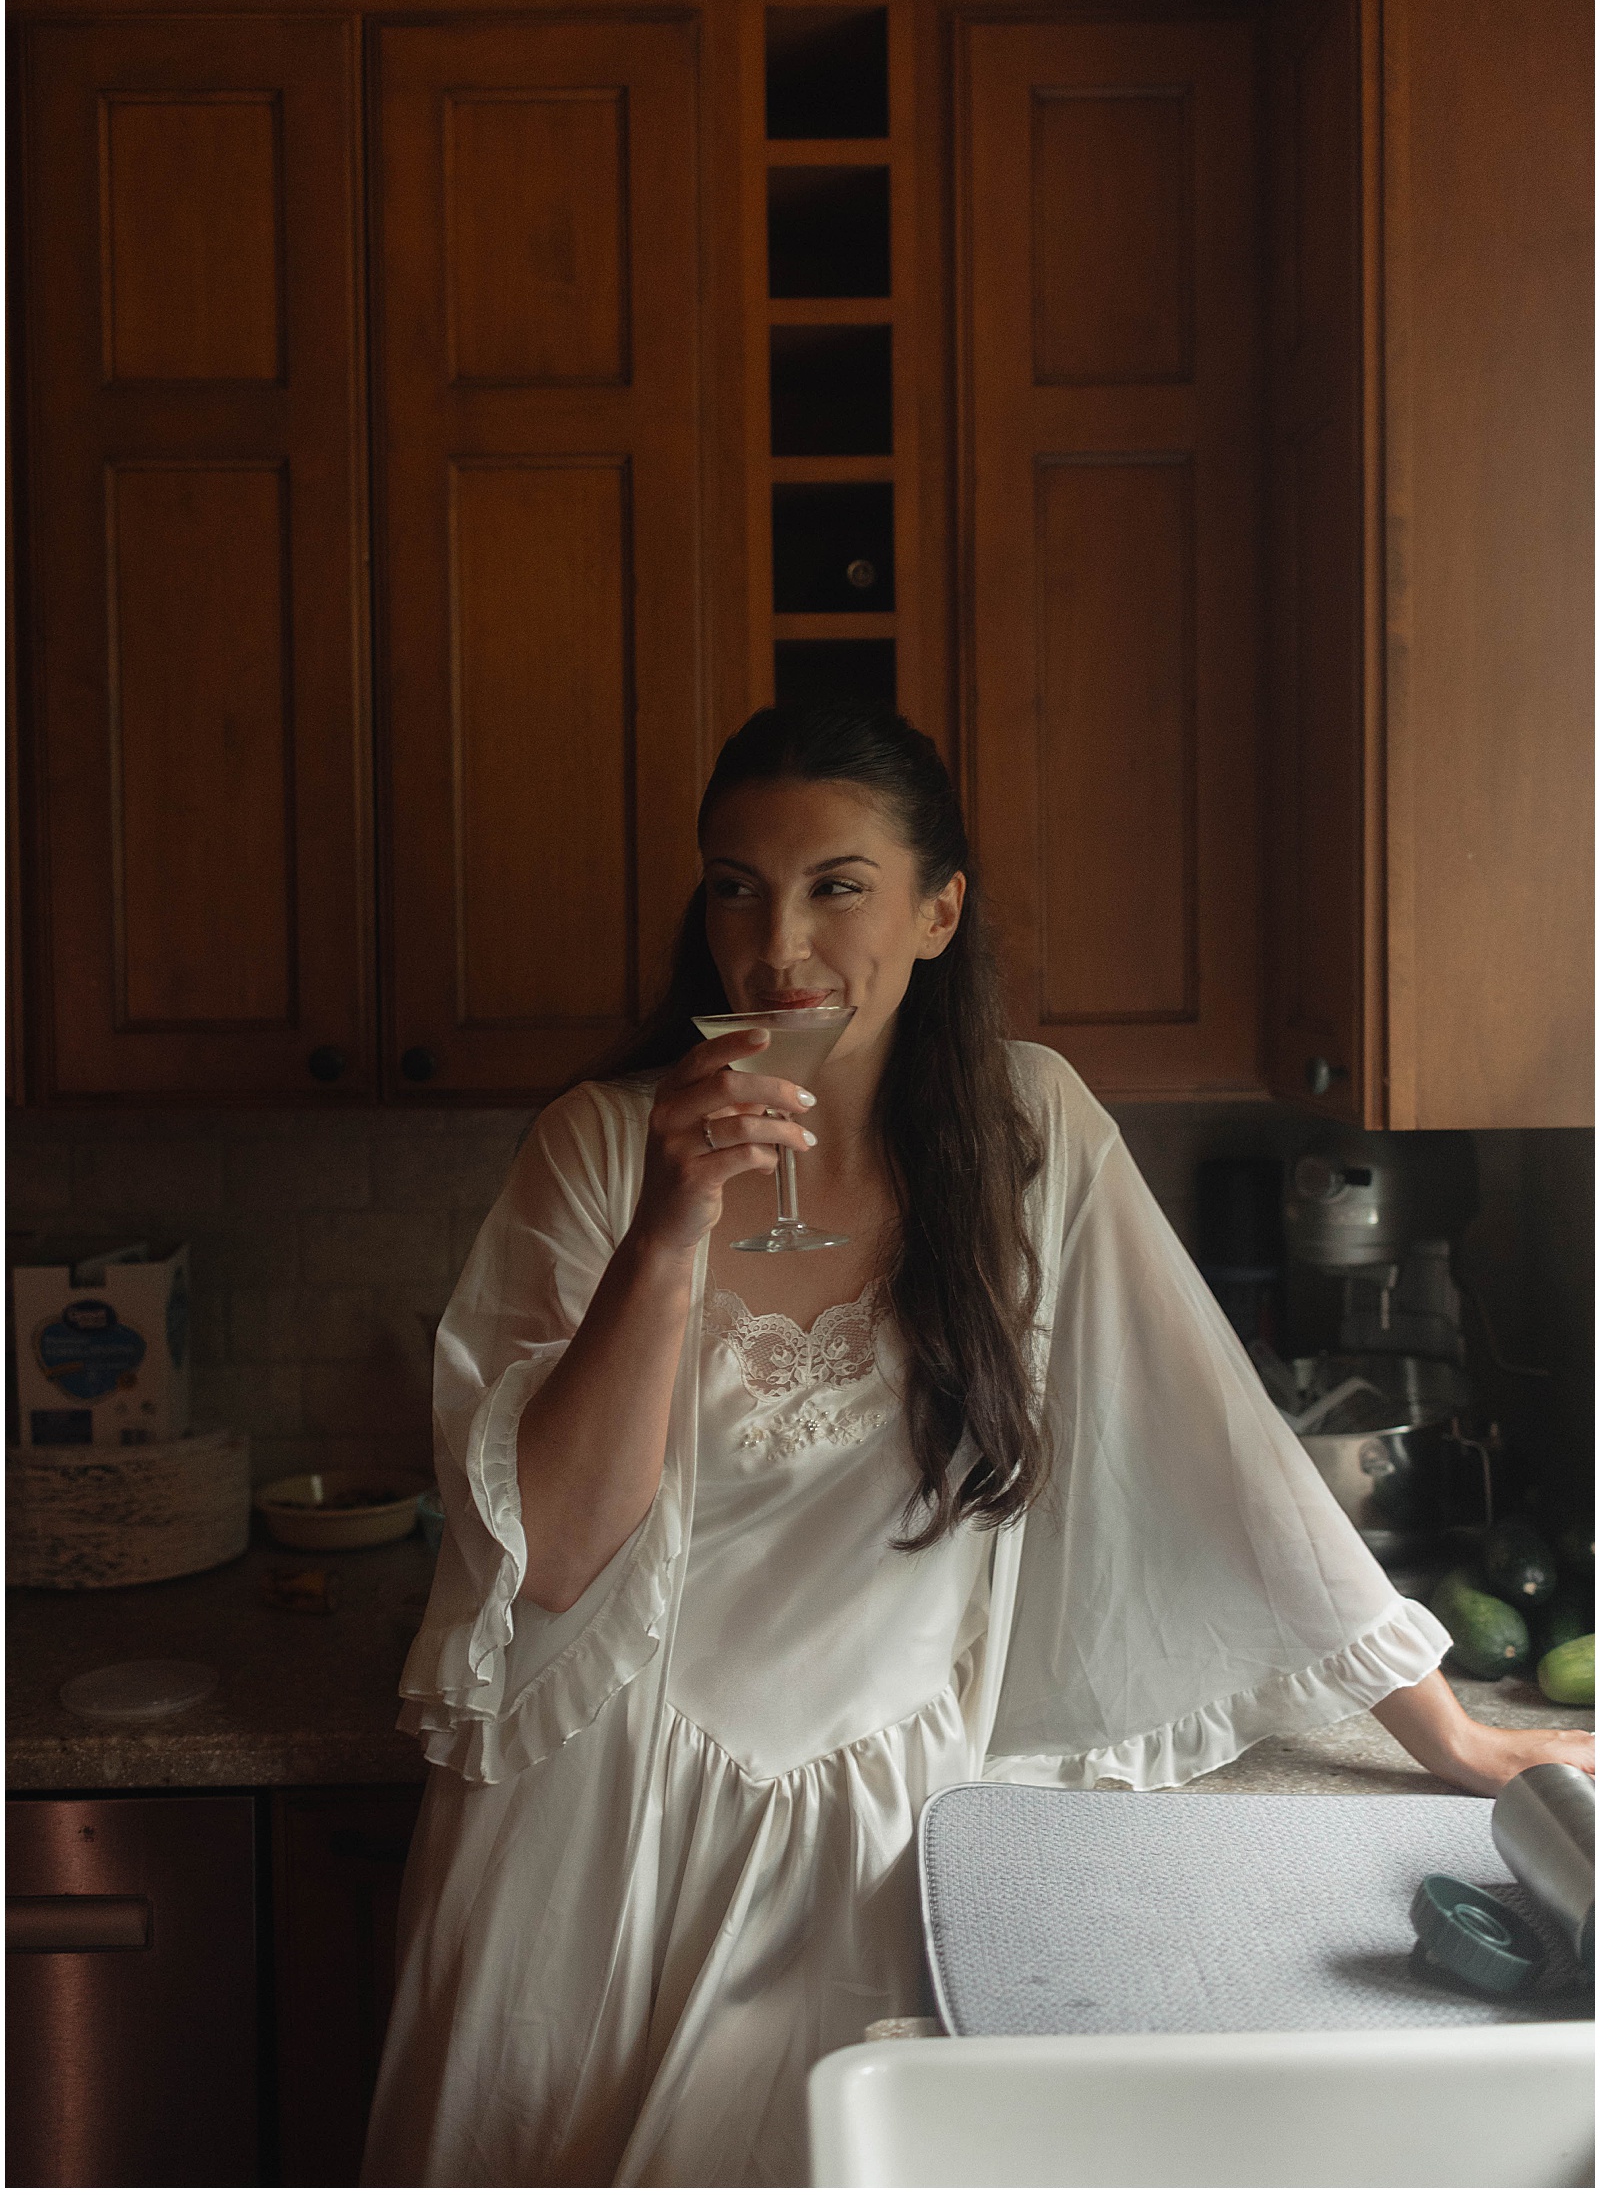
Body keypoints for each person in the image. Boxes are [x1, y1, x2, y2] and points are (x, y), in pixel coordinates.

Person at [362, 701, 1593, 2189]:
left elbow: (1224, 1451)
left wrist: (1450, 1734)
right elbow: (555, 1551)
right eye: (737, 886)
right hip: (608, 1834)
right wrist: (669, 1235)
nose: (776, 946)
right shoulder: (598, 1146)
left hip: (898, 1838)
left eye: (837, 885)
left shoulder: (1034, 1131)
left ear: (937, 912)